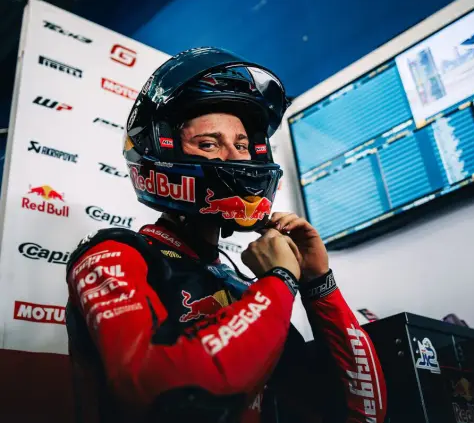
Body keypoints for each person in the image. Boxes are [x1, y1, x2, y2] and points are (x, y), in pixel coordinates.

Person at [65, 47, 387, 423]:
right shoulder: (114, 254)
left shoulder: (245, 290)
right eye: (209, 144)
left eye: (243, 145)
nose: (236, 158)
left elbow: (363, 411)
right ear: (162, 149)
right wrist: (280, 280)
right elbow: (158, 392)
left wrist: (319, 284)